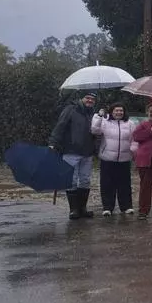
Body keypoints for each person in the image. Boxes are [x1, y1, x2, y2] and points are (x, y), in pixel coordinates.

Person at [49, 92, 98, 220]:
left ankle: (83, 208)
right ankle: (73, 210)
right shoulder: (70, 109)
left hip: (87, 152)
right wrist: (53, 143)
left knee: (85, 180)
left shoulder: (94, 114)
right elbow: (60, 126)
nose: (90, 100)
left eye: (93, 99)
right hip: (71, 151)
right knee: (71, 180)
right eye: (87, 98)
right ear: (82, 98)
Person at [91, 102, 136, 216]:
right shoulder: (105, 122)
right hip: (107, 158)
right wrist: (99, 117)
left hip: (124, 158)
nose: (119, 112)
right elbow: (95, 130)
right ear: (111, 111)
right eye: (116, 110)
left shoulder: (130, 123)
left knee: (124, 184)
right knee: (107, 183)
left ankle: (126, 206)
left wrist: (134, 149)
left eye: (121, 110)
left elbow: (134, 139)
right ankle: (107, 207)